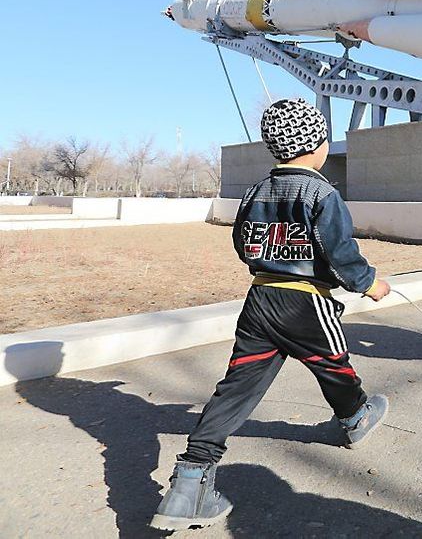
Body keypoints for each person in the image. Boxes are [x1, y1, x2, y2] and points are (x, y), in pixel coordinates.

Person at [151, 99, 393, 531]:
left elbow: (244, 245)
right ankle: (355, 418)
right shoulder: (322, 194)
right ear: (317, 144)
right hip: (305, 302)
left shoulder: (254, 192)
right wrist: (370, 283)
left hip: (259, 301)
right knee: (334, 366)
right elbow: (342, 257)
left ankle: (190, 478)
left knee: (237, 387)